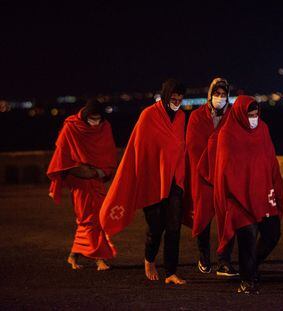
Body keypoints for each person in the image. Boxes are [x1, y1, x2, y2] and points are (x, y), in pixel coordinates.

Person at [100, 79, 187, 285]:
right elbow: (139, 149)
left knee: (174, 228)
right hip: (152, 180)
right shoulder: (149, 115)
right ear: (165, 96)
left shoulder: (182, 117)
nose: (177, 102)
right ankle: (149, 259)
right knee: (156, 228)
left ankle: (171, 273)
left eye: (180, 99)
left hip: (174, 180)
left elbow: (180, 146)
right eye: (173, 98)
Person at [214, 95, 283, 294]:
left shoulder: (263, 129)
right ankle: (247, 281)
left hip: (262, 194)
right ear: (240, 115)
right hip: (238, 198)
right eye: (250, 115)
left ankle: (251, 266)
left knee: (272, 233)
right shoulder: (227, 134)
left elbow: (270, 160)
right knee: (248, 236)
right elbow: (226, 169)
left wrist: (275, 186)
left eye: (256, 114)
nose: (254, 118)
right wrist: (236, 195)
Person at [47, 98, 118, 271]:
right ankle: (98, 258)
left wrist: (99, 172)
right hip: (79, 179)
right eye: (92, 119)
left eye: (98, 118)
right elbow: (62, 156)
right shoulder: (71, 127)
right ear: (86, 116)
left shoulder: (105, 127)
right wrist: (82, 170)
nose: (95, 123)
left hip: (96, 178)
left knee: (91, 219)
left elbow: (108, 152)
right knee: (91, 218)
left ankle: (73, 255)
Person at [186, 78, 238, 276]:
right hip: (203, 175)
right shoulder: (197, 117)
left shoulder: (233, 116)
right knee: (204, 218)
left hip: (226, 177)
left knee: (228, 218)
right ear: (210, 95)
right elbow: (193, 147)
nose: (220, 98)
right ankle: (204, 257)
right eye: (216, 94)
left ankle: (224, 260)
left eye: (223, 95)